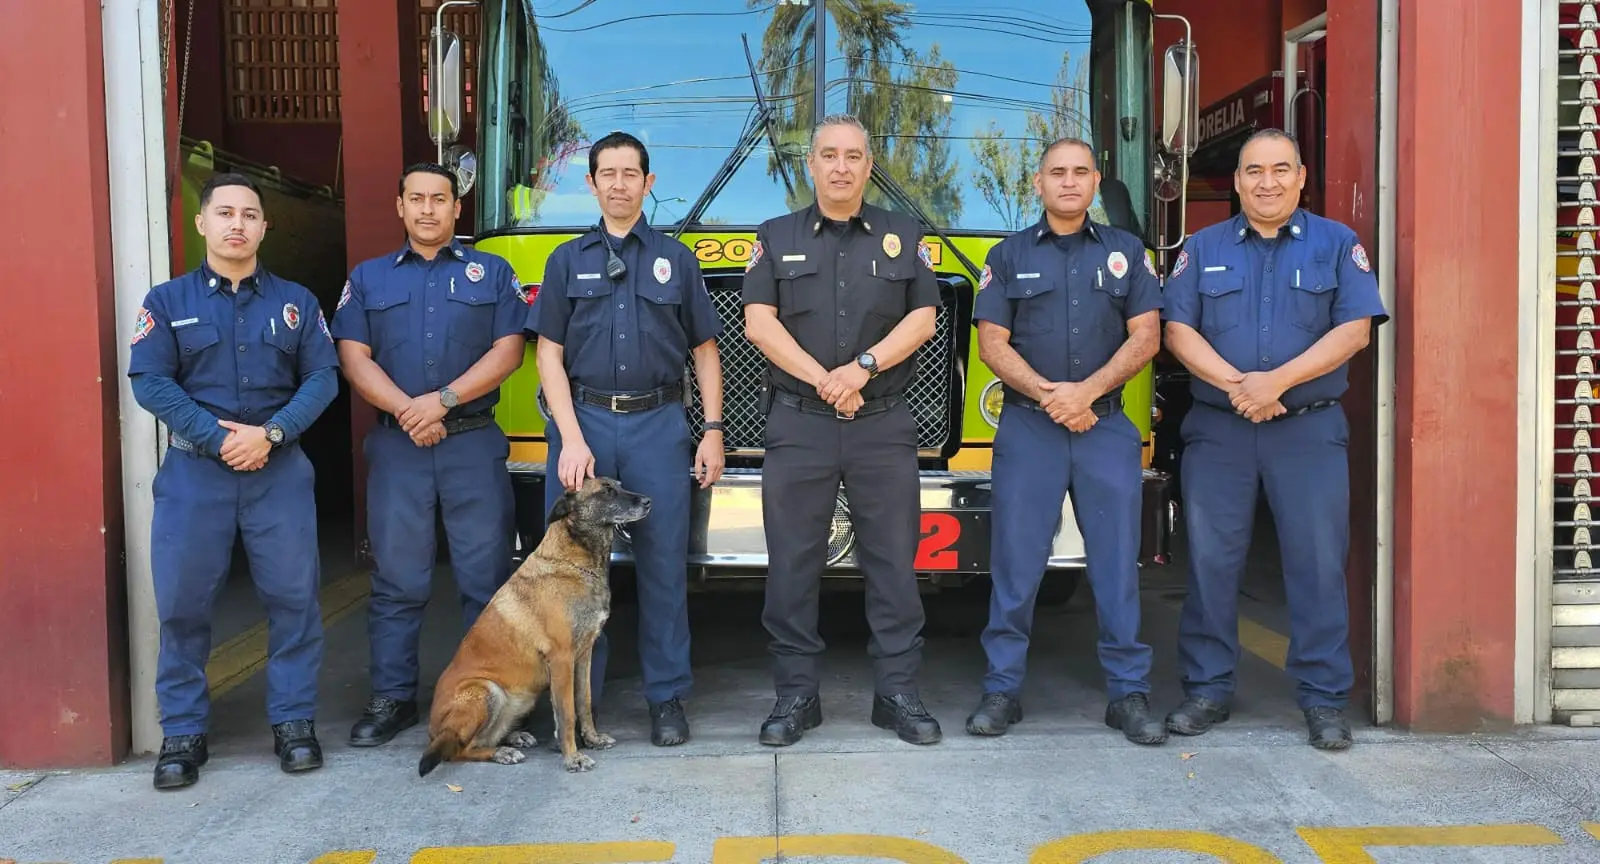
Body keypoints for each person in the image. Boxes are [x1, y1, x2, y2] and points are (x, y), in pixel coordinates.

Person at [1160, 128, 1389, 750]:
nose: (1267, 182)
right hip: (1219, 432)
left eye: (1280, 170)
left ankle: (1322, 700)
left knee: (1317, 565)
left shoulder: (1338, 245)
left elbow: (1356, 330)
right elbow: (1176, 330)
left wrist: (1276, 383)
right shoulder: (1200, 247)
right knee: (1210, 563)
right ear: (1236, 182)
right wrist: (1241, 386)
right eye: (1254, 171)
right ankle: (1206, 690)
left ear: (1301, 177)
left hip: (1308, 430)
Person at [128, 172, 341, 789]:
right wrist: (219, 437)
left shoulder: (296, 301)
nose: (237, 224)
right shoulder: (166, 303)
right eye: (225, 213)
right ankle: (185, 731)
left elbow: (323, 377)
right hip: (197, 473)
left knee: (294, 600)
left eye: (250, 214)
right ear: (202, 223)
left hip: (278, 473)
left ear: (265, 227)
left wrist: (269, 435)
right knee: (183, 604)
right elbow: (150, 381)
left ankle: (295, 722)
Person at [741, 113, 943, 747]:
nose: (840, 166)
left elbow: (924, 319)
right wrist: (827, 380)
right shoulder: (774, 237)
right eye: (828, 155)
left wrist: (860, 369)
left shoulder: (903, 234)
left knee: (893, 567)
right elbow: (758, 323)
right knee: (792, 568)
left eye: (853, 156)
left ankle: (898, 695)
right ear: (811, 165)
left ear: (868, 163)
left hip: (882, 425)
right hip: (799, 425)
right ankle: (796, 698)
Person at [526, 130, 726, 746]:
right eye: (606, 173)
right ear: (591, 184)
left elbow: (706, 351)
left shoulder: (677, 259)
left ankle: (666, 699)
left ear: (648, 183)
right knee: (571, 574)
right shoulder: (565, 261)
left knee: (664, 568)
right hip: (584, 427)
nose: (618, 183)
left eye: (629, 173)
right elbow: (548, 356)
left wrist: (712, 431)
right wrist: (571, 436)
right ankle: (576, 703)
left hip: (658, 427)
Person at [966, 138, 1168, 745]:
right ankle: (1001, 690)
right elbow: (992, 344)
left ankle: (1128, 695)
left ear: (1097, 180)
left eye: (1082, 172)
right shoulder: (1006, 256)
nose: (1070, 182)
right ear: (1038, 182)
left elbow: (1147, 337)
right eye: (1058, 172)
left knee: (1115, 565)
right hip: (1030, 428)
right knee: (1015, 565)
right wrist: (1054, 395)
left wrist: (1084, 394)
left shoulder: (1128, 253)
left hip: (1104, 427)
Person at [330, 163, 528, 748]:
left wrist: (440, 402)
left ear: (456, 208)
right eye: (415, 198)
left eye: (439, 199)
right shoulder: (368, 280)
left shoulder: (492, 272)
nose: (427, 209)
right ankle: (392, 699)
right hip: (399, 447)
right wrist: (409, 412)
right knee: (398, 580)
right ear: (399, 207)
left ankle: (492, 701)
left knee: (486, 581)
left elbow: (510, 349)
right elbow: (353, 355)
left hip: (471, 442)